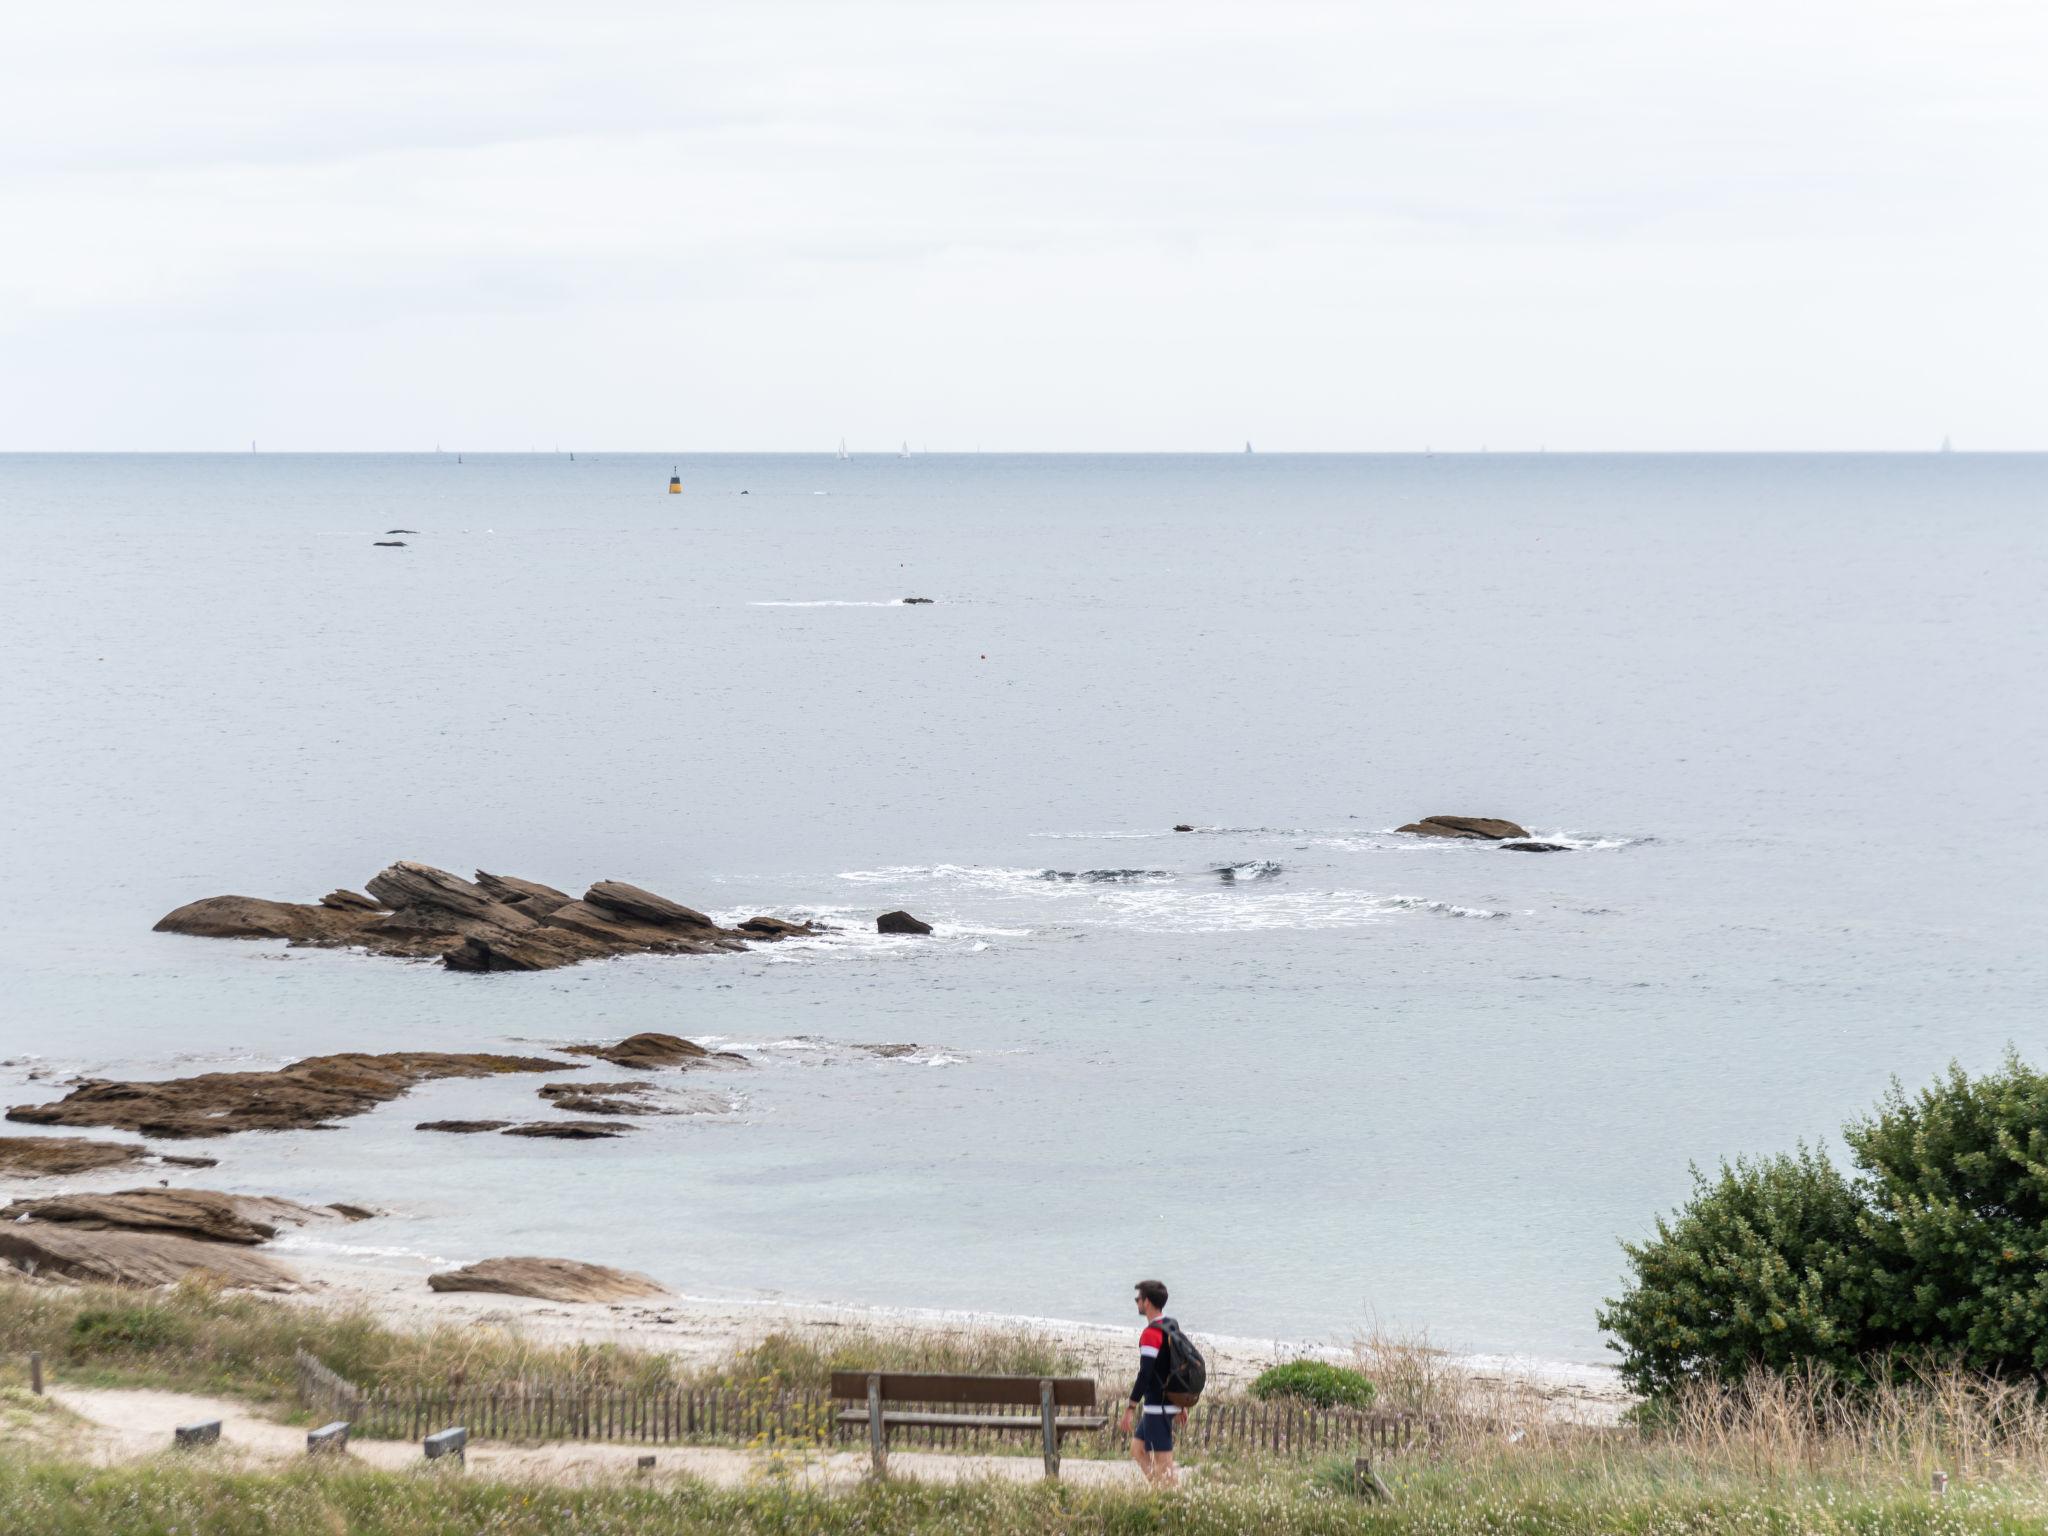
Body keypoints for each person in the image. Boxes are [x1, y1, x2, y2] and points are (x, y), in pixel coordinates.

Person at [1119, 1278, 1184, 1486]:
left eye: (1138, 1298)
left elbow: (1145, 1373)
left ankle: (1171, 1501)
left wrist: (1130, 1407)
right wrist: (1180, 1403)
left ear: (1146, 1302)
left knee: (1164, 1463)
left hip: (1158, 1405)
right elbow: (1176, 1365)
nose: (1137, 1302)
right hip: (1166, 1403)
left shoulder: (1151, 1334)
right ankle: (1159, 1491)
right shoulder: (1170, 1325)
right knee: (1137, 1449)